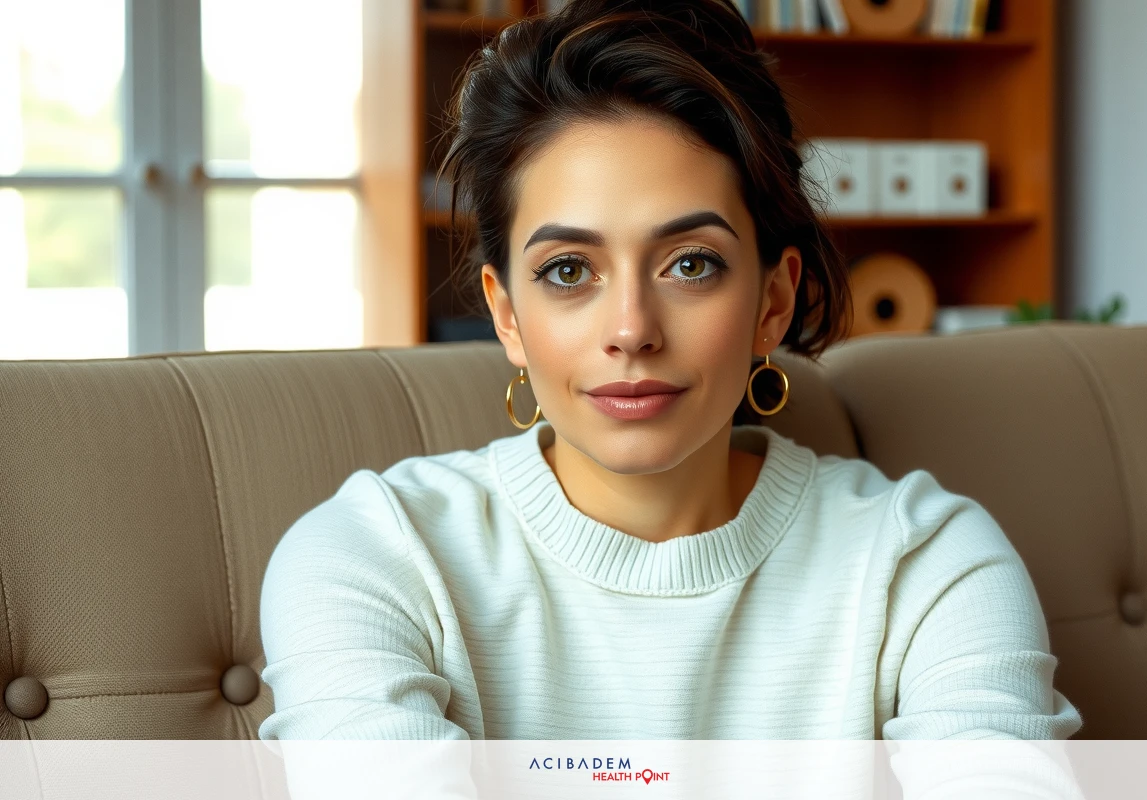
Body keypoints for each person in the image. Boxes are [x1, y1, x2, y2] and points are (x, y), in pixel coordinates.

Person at [257, 0, 1082, 750]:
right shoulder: (373, 557)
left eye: (691, 264)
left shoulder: (928, 564)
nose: (632, 332)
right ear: (506, 314)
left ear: (773, 301)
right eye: (569, 271)